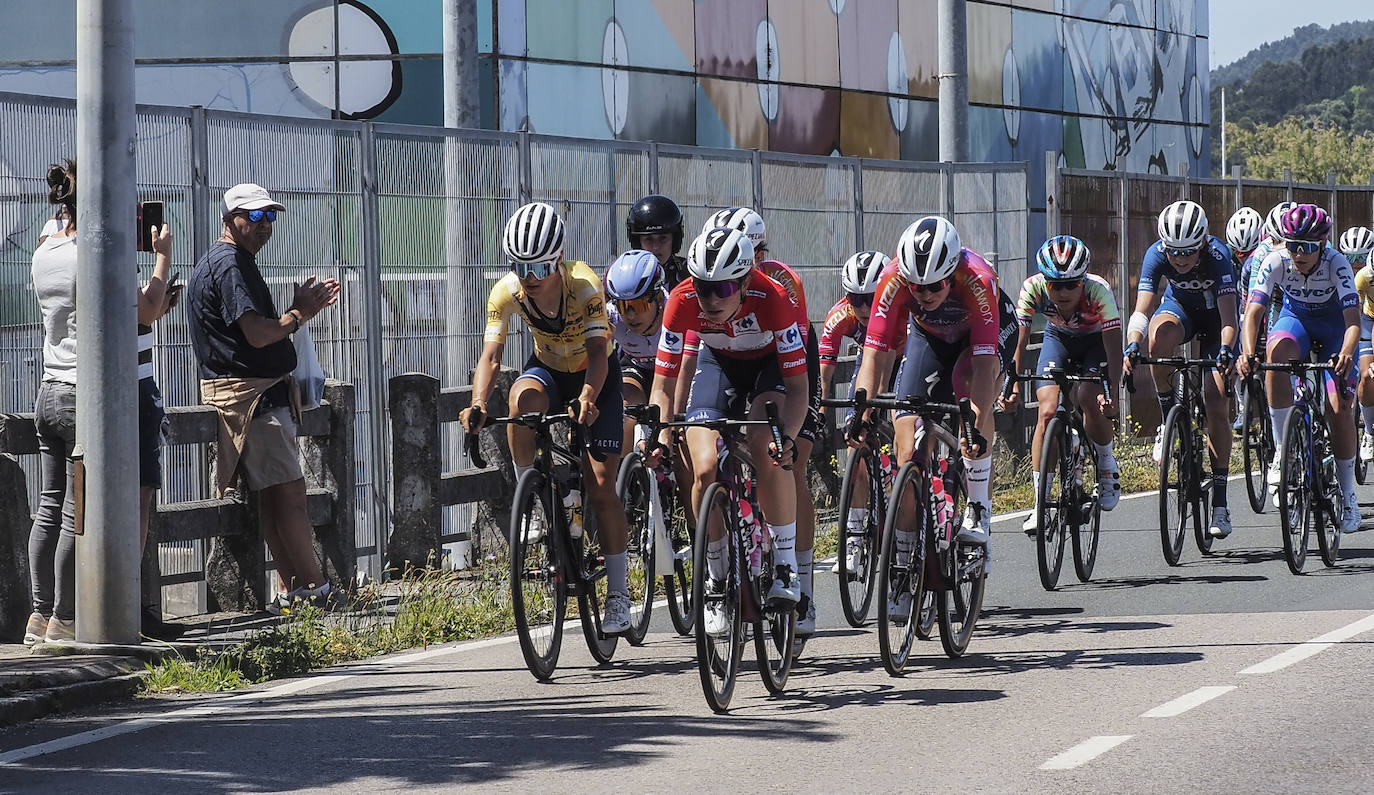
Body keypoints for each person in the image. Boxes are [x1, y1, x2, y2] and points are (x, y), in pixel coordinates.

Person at [25, 160, 184, 646]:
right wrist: (161, 257)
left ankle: (38, 615)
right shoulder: (93, 255)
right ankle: (66, 618)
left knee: (49, 507)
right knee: (79, 510)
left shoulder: (44, 249)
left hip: (49, 388)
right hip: (81, 395)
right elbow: (148, 310)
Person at [461, 202, 633, 634]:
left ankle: (618, 594)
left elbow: (598, 354)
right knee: (521, 397)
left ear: (557, 260)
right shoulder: (506, 292)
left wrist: (590, 396)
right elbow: (492, 355)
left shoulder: (585, 286)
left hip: (598, 376)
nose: (529, 276)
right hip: (550, 371)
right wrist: (479, 401)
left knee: (599, 487)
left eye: (538, 266)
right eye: (519, 265)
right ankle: (532, 495)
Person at [186, 183, 342, 612]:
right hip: (251, 396)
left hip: (247, 395)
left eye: (270, 216)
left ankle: (295, 590)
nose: (263, 225)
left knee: (274, 496)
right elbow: (257, 334)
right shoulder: (231, 264)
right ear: (230, 218)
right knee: (290, 492)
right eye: (253, 217)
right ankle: (316, 588)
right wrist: (299, 314)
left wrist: (292, 313)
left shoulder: (223, 261)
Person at [649, 226, 808, 636]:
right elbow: (664, 384)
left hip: (768, 367)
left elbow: (798, 387)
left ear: (745, 281)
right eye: (704, 289)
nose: (710, 300)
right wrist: (663, 434)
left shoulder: (772, 297)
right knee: (703, 467)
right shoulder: (682, 301)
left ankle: (787, 565)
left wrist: (787, 437)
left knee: (766, 444)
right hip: (718, 363)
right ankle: (717, 578)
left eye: (722, 290)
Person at [854, 215, 1015, 615]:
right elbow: (874, 357)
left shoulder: (976, 280)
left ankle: (978, 508)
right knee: (906, 450)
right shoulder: (894, 279)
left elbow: (982, 369)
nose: (923, 293)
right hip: (928, 337)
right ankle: (904, 570)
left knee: (972, 413)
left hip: (981, 339)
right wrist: (862, 407)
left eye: (934, 286)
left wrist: (975, 426)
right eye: (916, 286)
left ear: (951, 274)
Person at [699, 207, 822, 640]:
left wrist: (781, 435)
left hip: (784, 362)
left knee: (789, 465)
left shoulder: (782, 284)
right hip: (731, 361)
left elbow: (793, 365)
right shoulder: (712, 292)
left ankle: (801, 583)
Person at [1238, 204, 1363, 533]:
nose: (1298, 253)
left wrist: (1348, 354)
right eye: (1292, 245)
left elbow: (1353, 323)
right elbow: (1253, 313)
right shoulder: (1275, 260)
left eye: (1307, 247)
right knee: (1275, 359)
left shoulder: (1337, 264)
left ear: (1322, 245)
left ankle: (1349, 494)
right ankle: (1283, 449)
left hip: (1336, 329)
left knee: (1339, 407)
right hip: (1297, 322)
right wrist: (1249, 354)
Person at [1123, 200, 1238, 539]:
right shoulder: (1155, 255)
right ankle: (1167, 417)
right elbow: (1143, 307)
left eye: (1188, 252)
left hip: (1218, 321)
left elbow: (1231, 319)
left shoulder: (1219, 257)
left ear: (1202, 242)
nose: (1180, 259)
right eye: (1174, 252)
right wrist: (1132, 341)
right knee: (1157, 340)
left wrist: (1227, 352)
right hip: (1181, 310)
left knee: (1216, 399)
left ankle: (1219, 501)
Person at [999, 235, 1123, 535]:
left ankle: (1106, 465)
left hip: (1096, 343)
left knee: (1087, 396)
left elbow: (1114, 348)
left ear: (1083, 281)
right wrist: (1011, 383)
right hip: (1058, 340)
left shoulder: (1099, 291)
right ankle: (1040, 503)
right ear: (1045, 281)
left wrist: (1113, 392)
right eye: (1056, 285)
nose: (1063, 291)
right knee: (1047, 412)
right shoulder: (1032, 288)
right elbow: (1020, 340)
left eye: (1071, 284)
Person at [817, 250, 901, 575]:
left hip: (902, 359)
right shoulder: (840, 316)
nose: (864, 307)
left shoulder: (900, 310)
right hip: (869, 363)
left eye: (870, 297)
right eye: (855, 298)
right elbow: (826, 368)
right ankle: (853, 538)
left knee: (902, 427)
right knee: (857, 438)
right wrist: (822, 408)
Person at [1342, 226, 1374, 463]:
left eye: (1359, 259)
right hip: (1369, 318)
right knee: (1367, 375)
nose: (1354, 264)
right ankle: (1370, 434)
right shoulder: (1363, 276)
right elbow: (1352, 312)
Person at [626, 194, 689, 288]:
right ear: (637, 242)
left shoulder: (688, 275)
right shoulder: (623, 274)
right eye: (648, 239)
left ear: (675, 240)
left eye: (663, 238)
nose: (656, 247)